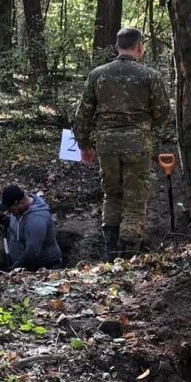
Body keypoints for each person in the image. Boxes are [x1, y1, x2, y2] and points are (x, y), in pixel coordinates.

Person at [73, 27, 171, 257]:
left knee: (112, 194)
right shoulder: (150, 76)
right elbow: (163, 114)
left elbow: (82, 115)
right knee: (135, 199)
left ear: (117, 47)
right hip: (137, 145)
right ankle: (129, 253)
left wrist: (85, 145)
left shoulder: (97, 75)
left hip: (107, 146)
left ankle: (110, 248)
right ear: (140, 47)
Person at [0, 184, 62, 272]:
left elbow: (32, 252)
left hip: (43, 269)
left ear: (19, 203)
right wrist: (6, 220)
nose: (8, 212)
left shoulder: (36, 220)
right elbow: (20, 224)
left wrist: (14, 269)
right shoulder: (20, 209)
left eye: (10, 210)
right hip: (23, 266)